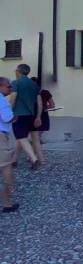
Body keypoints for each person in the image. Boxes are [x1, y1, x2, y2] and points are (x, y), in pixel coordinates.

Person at [9, 65, 41, 169]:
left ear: (18, 71)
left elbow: (13, 98)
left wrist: (9, 111)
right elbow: (39, 102)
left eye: (16, 70)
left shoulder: (16, 83)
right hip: (31, 115)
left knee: (21, 138)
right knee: (20, 138)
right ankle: (14, 160)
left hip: (19, 114)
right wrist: (38, 116)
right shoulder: (34, 84)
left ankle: (34, 159)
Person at [0, 77, 19, 213]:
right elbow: (7, 118)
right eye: (8, 86)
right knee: (6, 165)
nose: (10, 89)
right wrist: (15, 117)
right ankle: (7, 201)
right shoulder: (1, 100)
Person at [29, 77, 53, 167]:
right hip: (43, 115)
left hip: (34, 116)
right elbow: (52, 105)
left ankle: (34, 157)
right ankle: (34, 156)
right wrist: (45, 108)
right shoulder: (45, 92)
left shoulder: (30, 93)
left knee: (35, 138)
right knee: (37, 138)